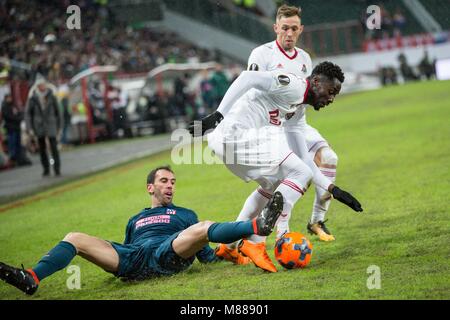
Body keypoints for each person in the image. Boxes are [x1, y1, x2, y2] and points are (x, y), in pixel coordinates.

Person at [0, 166, 284, 295]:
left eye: (173, 181)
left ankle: (258, 225)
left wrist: (227, 254)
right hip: (133, 258)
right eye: (164, 181)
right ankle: (32, 277)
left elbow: (204, 254)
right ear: (151, 187)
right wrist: (123, 264)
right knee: (74, 237)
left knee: (203, 226)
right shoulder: (135, 219)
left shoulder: (185, 215)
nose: (170, 185)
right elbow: (126, 246)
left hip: (167, 252)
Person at [189, 61, 363, 273]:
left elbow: (305, 160)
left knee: (276, 183)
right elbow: (247, 78)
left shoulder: (298, 112)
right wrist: (218, 114)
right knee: (297, 173)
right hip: (235, 134)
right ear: (316, 82)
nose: (331, 98)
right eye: (331, 91)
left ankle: (229, 246)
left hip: (229, 142)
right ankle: (255, 243)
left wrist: (334, 190)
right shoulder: (293, 85)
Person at [25, 76, 62, 176]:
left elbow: (58, 112)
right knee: (42, 149)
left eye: (43, 84)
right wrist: (30, 128)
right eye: (40, 85)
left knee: (54, 147)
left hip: (51, 125)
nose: (42, 87)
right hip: (39, 126)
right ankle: (46, 169)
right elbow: (28, 114)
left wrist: (59, 126)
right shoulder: (32, 98)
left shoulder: (51, 96)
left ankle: (57, 168)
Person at [1, 93, 31, 166]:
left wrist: (19, 117)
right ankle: (13, 159)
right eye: (8, 98)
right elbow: (8, 116)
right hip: (11, 128)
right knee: (12, 144)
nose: (10, 99)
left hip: (17, 127)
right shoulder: (4, 107)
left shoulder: (13, 105)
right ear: (6, 98)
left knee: (18, 144)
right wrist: (17, 118)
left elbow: (19, 113)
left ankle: (19, 158)